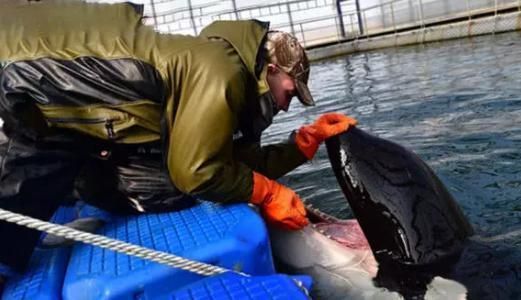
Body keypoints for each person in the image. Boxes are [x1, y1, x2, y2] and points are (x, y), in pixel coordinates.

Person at [0, 0, 357, 284]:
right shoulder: (220, 70)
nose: (286, 105)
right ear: (272, 69)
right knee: (173, 188)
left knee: (51, 152)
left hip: (44, 71)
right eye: (291, 93)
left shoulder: (215, 66)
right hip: (35, 64)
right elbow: (197, 173)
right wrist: (268, 193)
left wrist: (302, 144)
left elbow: (230, 162)